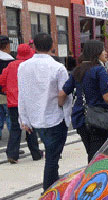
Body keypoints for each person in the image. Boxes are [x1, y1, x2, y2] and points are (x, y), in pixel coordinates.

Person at [59, 40, 108, 163]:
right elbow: (107, 97)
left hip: (80, 118)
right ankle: (93, 179)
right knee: (96, 157)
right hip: (97, 119)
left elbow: (62, 93)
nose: (106, 53)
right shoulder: (99, 70)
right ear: (96, 52)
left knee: (91, 152)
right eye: (103, 50)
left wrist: (60, 107)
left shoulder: (78, 70)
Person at [18, 33, 70, 191]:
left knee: (51, 155)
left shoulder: (23, 67)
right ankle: (48, 189)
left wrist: (24, 118)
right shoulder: (58, 68)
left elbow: (23, 93)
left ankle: (52, 184)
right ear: (52, 46)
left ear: (34, 47)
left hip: (35, 116)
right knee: (53, 157)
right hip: (54, 115)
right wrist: (67, 116)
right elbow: (65, 93)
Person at [0, 43, 43, 164]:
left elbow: (2, 80)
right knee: (30, 127)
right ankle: (35, 153)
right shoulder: (30, 66)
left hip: (13, 102)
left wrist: (6, 90)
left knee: (15, 128)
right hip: (28, 101)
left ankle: (12, 154)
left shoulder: (11, 65)